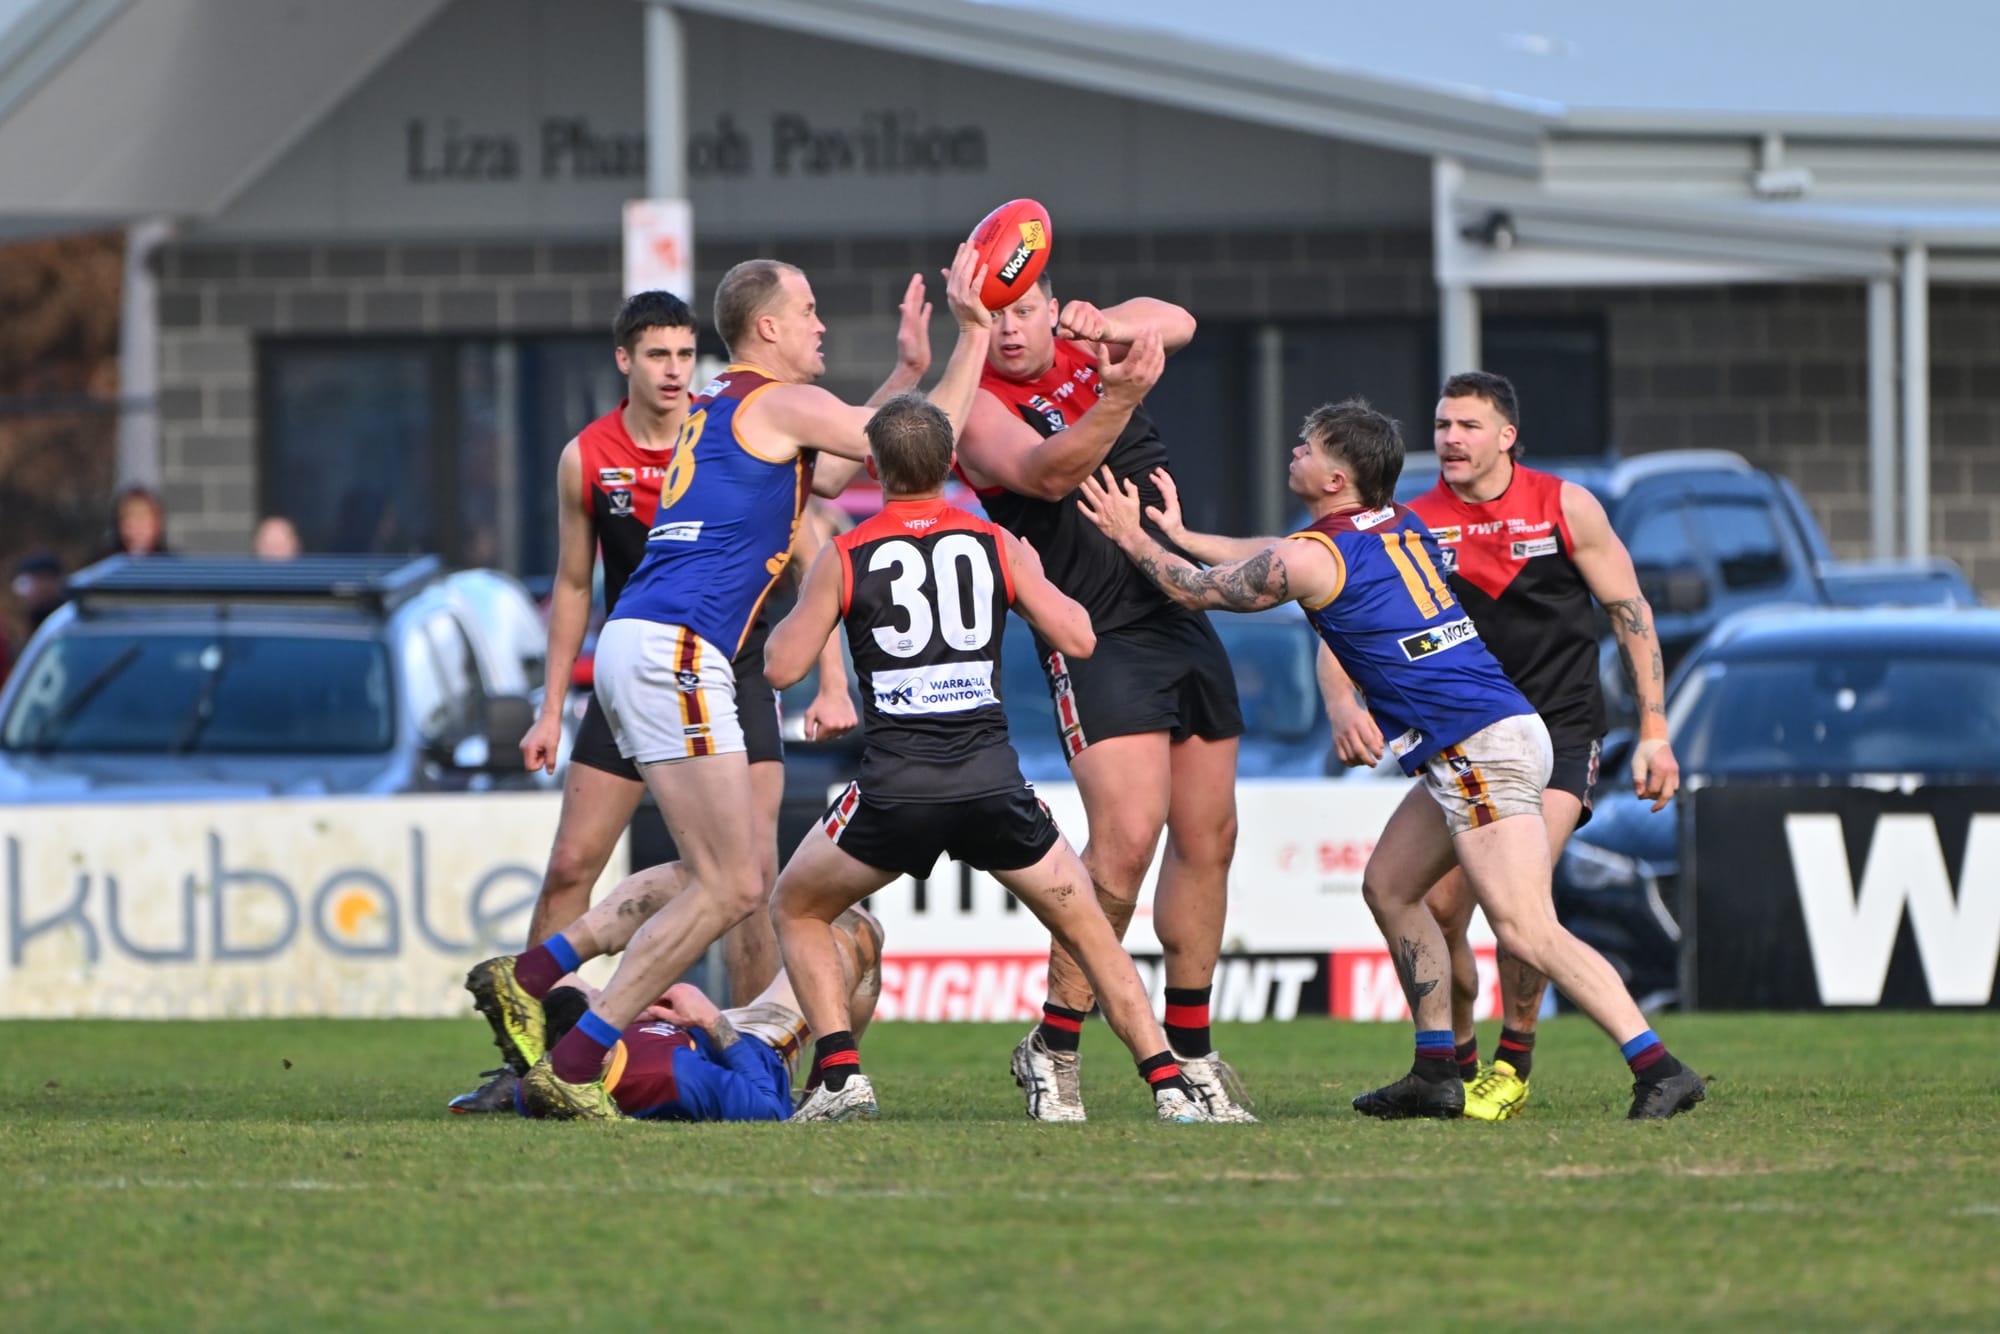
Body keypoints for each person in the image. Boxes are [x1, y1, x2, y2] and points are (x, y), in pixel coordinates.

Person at [469, 245, 999, 1121]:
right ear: (769, 327)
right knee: (734, 884)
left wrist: (909, 369)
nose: (822, 325)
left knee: (724, 873)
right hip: (678, 649)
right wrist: (972, 334)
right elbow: (921, 445)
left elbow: (836, 469)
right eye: (810, 311)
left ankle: (529, 976)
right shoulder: (778, 400)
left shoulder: (725, 403)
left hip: (648, 642)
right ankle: (576, 1056)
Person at [1075, 400, 1705, 1121]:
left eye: (1308, 446)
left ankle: (1658, 1068)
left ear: (1336, 479)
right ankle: (1436, 1070)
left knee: (1527, 929)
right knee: (1391, 887)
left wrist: (1133, 536)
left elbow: (1195, 591)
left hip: (1477, 745)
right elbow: (1275, 551)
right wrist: (1186, 535)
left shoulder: (1319, 556)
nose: (1295, 453)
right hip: (1487, 733)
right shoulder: (1392, 521)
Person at [449, 289, 869, 1114]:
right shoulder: (606, 451)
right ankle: (547, 1051)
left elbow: (815, 524)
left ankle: (731, 1050)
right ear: (625, 362)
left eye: (684, 353)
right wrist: (548, 707)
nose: (675, 370)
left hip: (720, 664)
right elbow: (573, 584)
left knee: (739, 877)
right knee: (618, 867)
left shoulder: (719, 421)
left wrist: (829, 679)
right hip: (664, 654)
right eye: (657, 355)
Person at [763, 394, 1210, 1124]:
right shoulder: (996, 542)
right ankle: (1168, 1085)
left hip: (896, 792)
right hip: (991, 787)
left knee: (796, 905)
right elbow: (1080, 638)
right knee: (1091, 929)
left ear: (873, 465)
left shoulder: (845, 555)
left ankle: (840, 1075)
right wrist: (1028, 581)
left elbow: (782, 668)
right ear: (950, 463)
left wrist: (815, 594)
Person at [1316, 371, 1680, 1121]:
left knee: (1519, 912)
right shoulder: (1412, 521)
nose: (1450, 438)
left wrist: (1654, 733)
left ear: (1507, 437)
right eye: (1442, 425)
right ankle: (1450, 1067)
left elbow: (1630, 613)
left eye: (1468, 426)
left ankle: (1518, 1064)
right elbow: (1344, 613)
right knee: (1433, 903)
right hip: (1464, 734)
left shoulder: (1563, 505)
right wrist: (1342, 703)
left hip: (1557, 733)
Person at [951, 272, 1252, 1124]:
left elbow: (1179, 317)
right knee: (1124, 841)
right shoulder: (975, 400)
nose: (1011, 330)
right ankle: (1054, 1046)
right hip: (1095, 632)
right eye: (993, 316)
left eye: (1024, 310)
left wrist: (1107, 326)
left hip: (1179, 606)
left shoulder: (1088, 342)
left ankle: (1190, 1048)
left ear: (1051, 308)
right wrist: (1118, 399)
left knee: (1210, 837)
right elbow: (1046, 474)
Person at [515, 900, 884, 1123]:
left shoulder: (543, 1081)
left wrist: (629, 1010)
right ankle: (826, 1094)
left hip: (691, 1032)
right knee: (856, 927)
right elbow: (770, 1109)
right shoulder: (675, 1077)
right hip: (755, 1044)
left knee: (548, 979)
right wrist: (712, 1020)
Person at [100, 483, 170, 559]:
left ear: (157, 522)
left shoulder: (171, 563)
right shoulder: (104, 562)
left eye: (143, 516)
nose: (137, 525)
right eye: (129, 516)